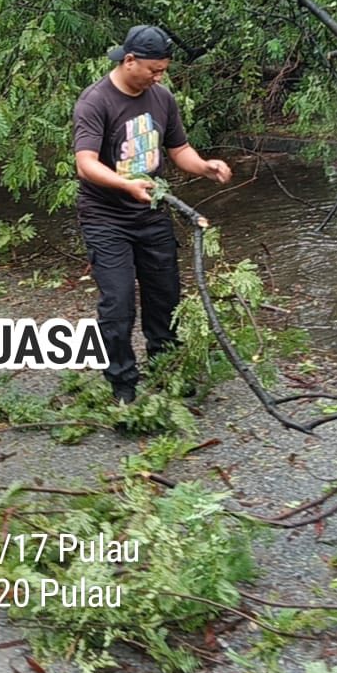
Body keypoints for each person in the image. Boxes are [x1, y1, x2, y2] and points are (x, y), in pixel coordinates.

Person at [74, 25, 233, 402]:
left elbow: (179, 151)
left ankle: (165, 369)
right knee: (118, 301)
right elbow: (85, 164)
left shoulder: (161, 99)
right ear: (130, 61)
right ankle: (123, 383)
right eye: (153, 70)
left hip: (152, 214)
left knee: (165, 297)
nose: (159, 77)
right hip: (105, 218)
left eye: (163, 70)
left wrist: (205, 166)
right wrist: (125, 184)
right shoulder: (95, 101)